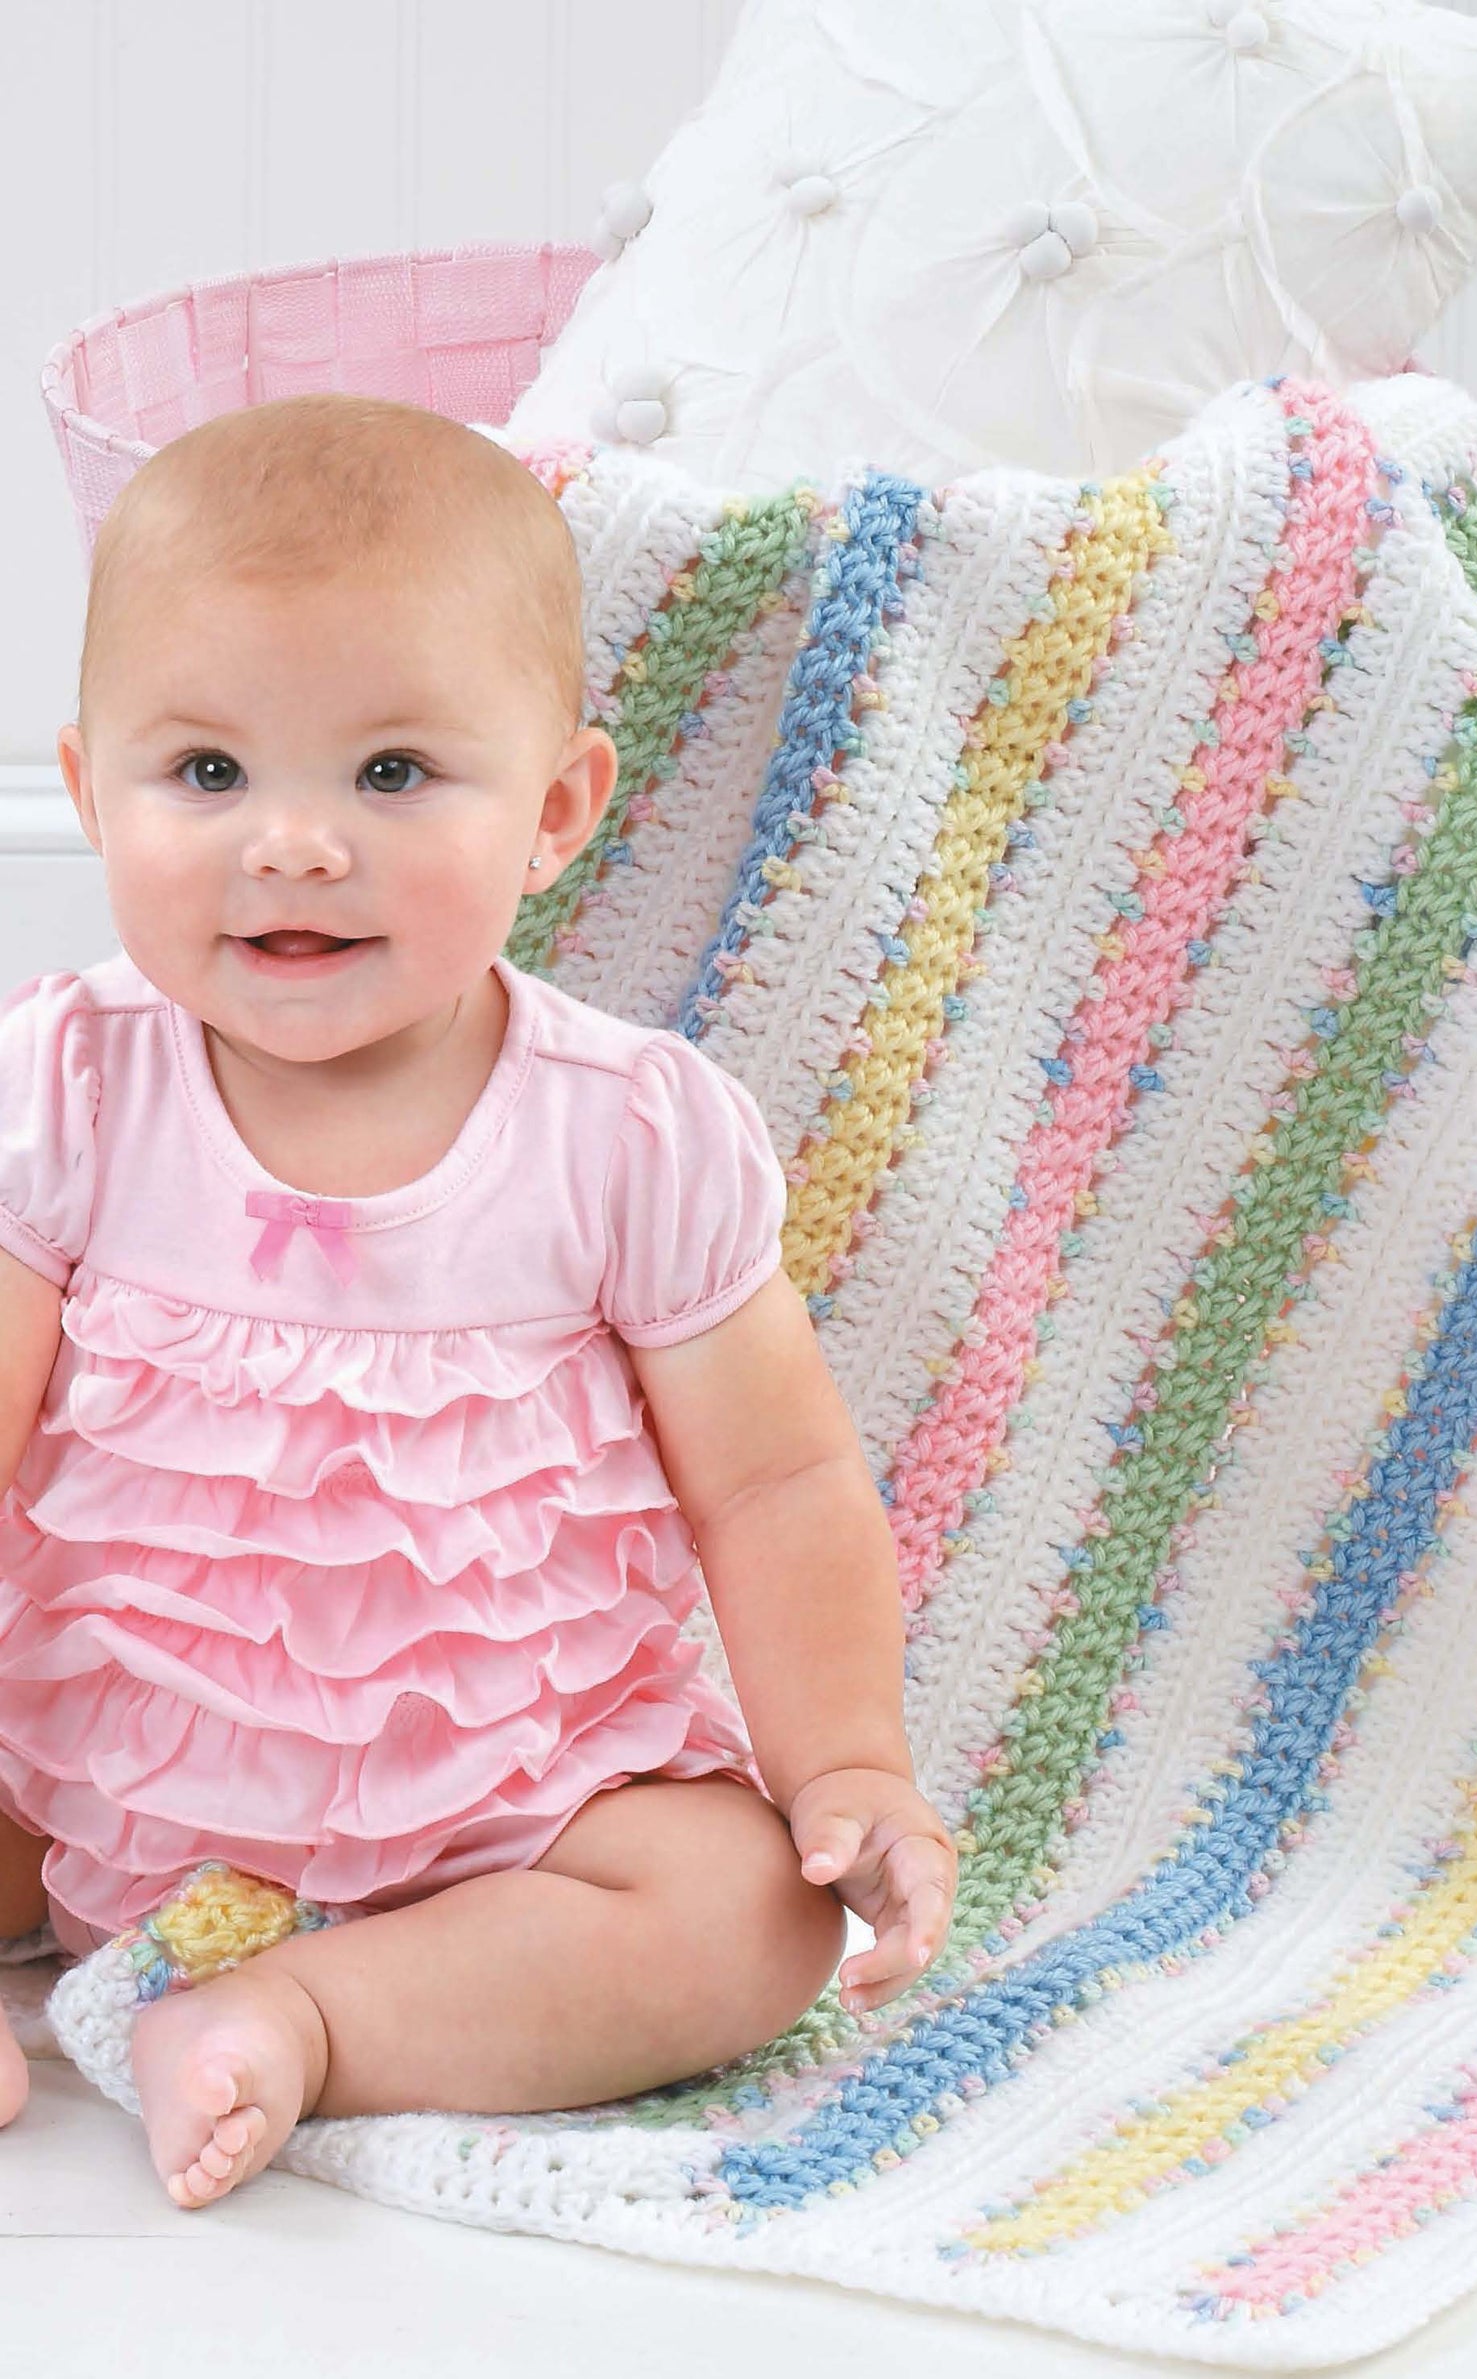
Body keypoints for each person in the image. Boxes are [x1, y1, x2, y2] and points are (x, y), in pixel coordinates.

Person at [0, 391, 957, 2207]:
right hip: (95, 1774)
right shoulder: (68, 1097)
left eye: (389, 774)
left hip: (517, 1811)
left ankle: (309, 2018)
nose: (290, 844)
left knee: (748, 1921)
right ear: (83, 789)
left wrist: (847, 1758)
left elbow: (772, 1485)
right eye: (207, 774)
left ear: (556, 809)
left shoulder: (626, 1133)